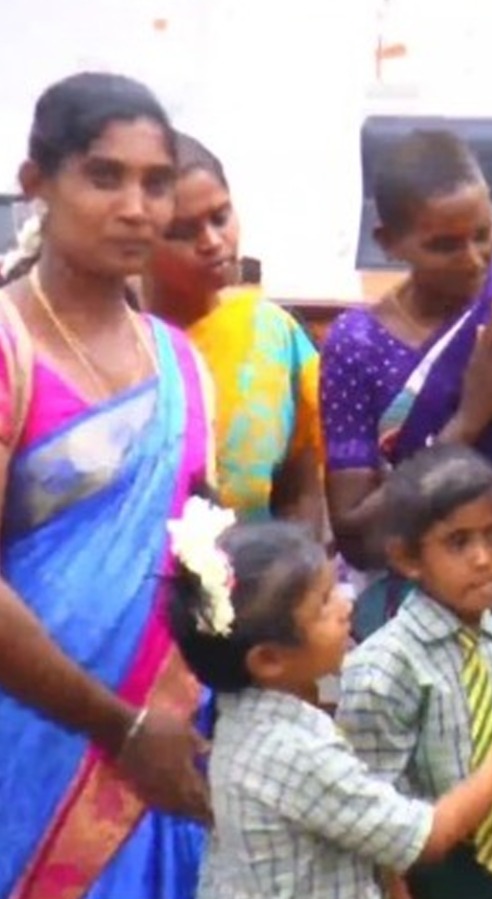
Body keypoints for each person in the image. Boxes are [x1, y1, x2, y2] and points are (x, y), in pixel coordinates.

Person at [0, 72, 214, 899]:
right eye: (104, 176)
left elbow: (201, 552)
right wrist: (120, 728)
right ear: (37, 184)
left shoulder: (181, 362)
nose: (135, 207)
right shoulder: (11, 347)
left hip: (167, 740)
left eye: (156, 183)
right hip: (34, 742)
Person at [165, 497, 492, 899]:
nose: (347, 605)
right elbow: (427, 836)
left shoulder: (247, 712)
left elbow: (328, 700)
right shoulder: (295, 752)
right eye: (324, 603)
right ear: (269, 659)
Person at [319, 128, 492, 639]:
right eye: (444, 245)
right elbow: (357, 535)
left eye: (484, 233)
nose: (474, 258)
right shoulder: (357, 344)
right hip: (418, 618)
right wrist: (469, 418)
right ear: (388, 243)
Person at [339, 444, 492, 899]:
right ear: (407, 559)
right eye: (458, 543)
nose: (483, 559)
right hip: (433, 872)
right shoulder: (385, 664)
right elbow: (372, 815)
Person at [143, 131, 324, 527]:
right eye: (182, 232)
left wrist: (299, 559)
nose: (212, 241)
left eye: (220, 218)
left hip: (262, 562)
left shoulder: (271, 334)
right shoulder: (122, 348)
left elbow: (303, 486)